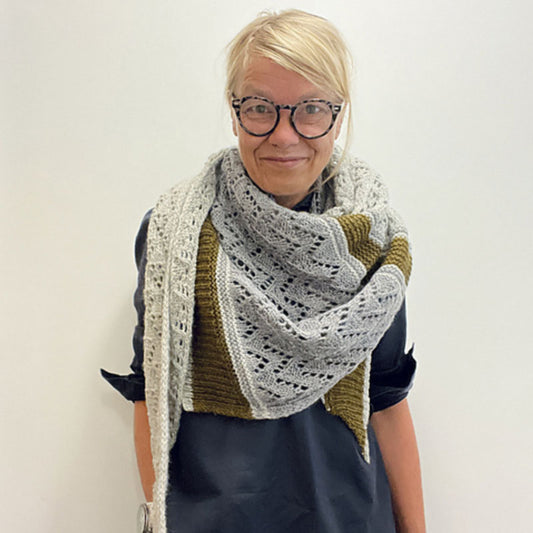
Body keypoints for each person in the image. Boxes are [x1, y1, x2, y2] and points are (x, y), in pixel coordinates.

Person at [102, 9, 425, 533]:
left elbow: (386, 400)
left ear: (339, 115)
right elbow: (151, 393)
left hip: (350, 518)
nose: (284, 135)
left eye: (311, 109)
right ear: (234, 113)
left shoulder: (373, 243)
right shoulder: (176, 235)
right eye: (259, 108)